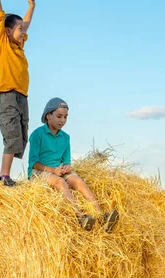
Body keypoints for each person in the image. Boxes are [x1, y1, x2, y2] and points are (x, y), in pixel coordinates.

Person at [27, 98, 119, 232]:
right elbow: (33, 163)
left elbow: (66, 160)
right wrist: (53, 170)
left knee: (78, 181)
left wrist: (67, 167)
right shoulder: (37, 134)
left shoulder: (65, 137)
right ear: (48, 116)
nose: (62, 120)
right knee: (59, 182)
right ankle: (80, 216)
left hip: (58, 169)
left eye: (65, 117)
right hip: (39, 172)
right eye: (59, 116)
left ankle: (101, 216)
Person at [0, 0, 35, 186]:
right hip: (8, 95)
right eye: (19, 29)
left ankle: (7, 175)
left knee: (20, 136)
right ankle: (4, 176)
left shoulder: (20, 48)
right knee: (11, 136)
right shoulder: (3, 45)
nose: (23, 32)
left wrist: (31, 7)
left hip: (22, 97)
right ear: (8, 32)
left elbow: (26, 24)